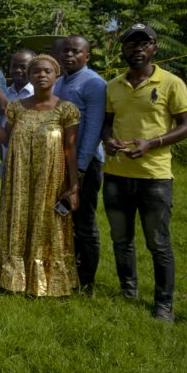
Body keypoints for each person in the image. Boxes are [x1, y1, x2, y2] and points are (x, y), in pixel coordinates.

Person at [102, 23, 187, 323]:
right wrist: (108, 140)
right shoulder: (113, 85)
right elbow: (107, 122)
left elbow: (184, 125)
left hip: (154, 177)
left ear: (154, 48)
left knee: (158, 243)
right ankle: (128, 292)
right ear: (123, 50)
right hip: (116, 174)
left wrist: (152, 143)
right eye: (131, 44)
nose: (137, 49)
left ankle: (163, 305)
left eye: (144, 43)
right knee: (121, 239)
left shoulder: (171, 83)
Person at [0, 54, 80, 296]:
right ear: (29, 77)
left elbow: (70, 149)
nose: (42, 75)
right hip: (19, 177)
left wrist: (74, 187)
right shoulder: (16, 108)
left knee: (46, 222)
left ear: (56, 75)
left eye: (47, 71)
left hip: (50, 179)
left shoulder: (67, 110)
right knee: (18, 220)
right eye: (36, 71)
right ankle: (14, 277)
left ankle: (48, 278)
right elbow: (7, 139)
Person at [54, 35, 106, 295]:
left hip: (86, 163)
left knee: (84, 223)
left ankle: (86, 281)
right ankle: (68, 272)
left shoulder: (93, 83)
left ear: (87, 56)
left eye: (75, 51)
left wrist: (81, 169)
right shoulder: (59, 82)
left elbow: (94, 129)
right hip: (62, 162)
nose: (69, 55)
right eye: (65, 51)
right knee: (64, 217)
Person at [0, 49, 35, 177]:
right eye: (14, 66)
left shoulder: (39, 94)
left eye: (23, 67)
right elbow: (0, 126)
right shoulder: (5, 95)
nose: (18, 70)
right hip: (7, 160)